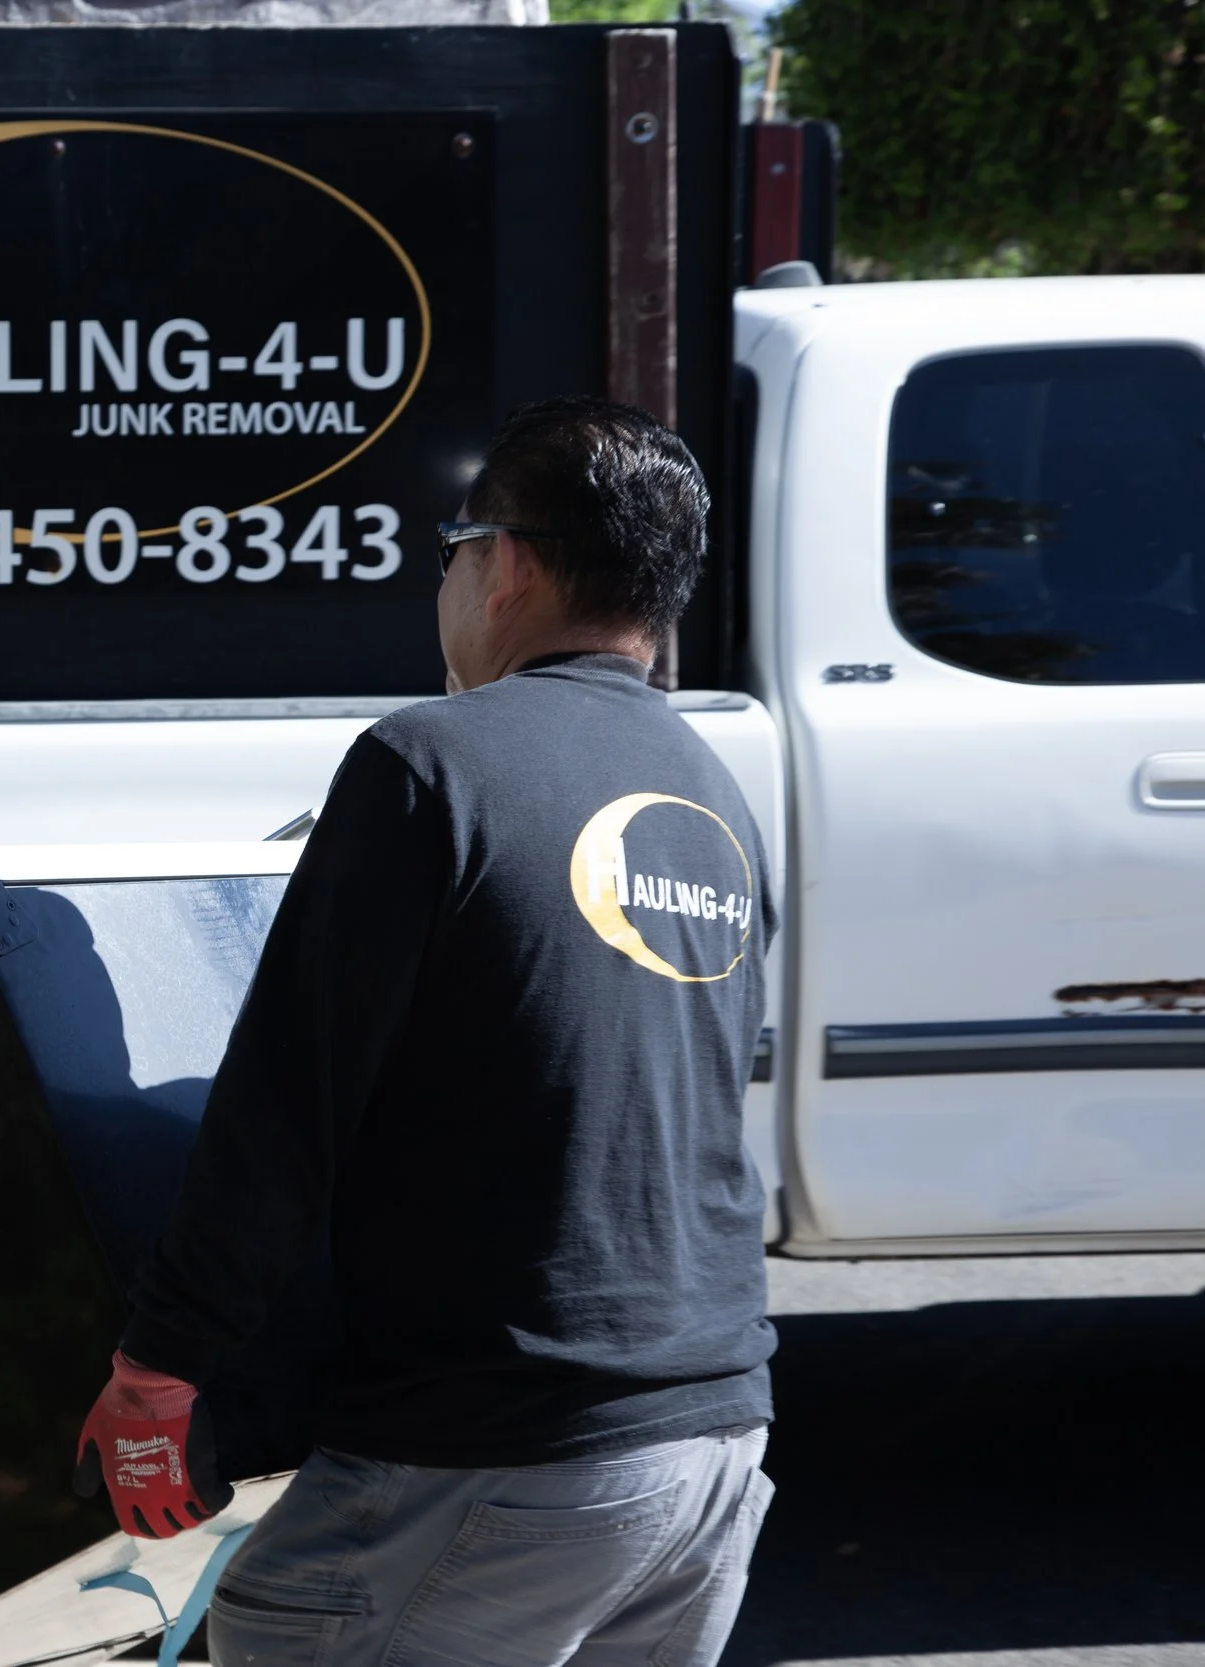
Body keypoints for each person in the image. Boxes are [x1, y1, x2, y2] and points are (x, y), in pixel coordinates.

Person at [75, 398, 778, 1667]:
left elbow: (287, 1102)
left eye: (450, 546)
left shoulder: (430, 761)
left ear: (505, 561)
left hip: (498, 1451)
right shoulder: (707, 793)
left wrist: (160, 1363)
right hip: (709, 1449)